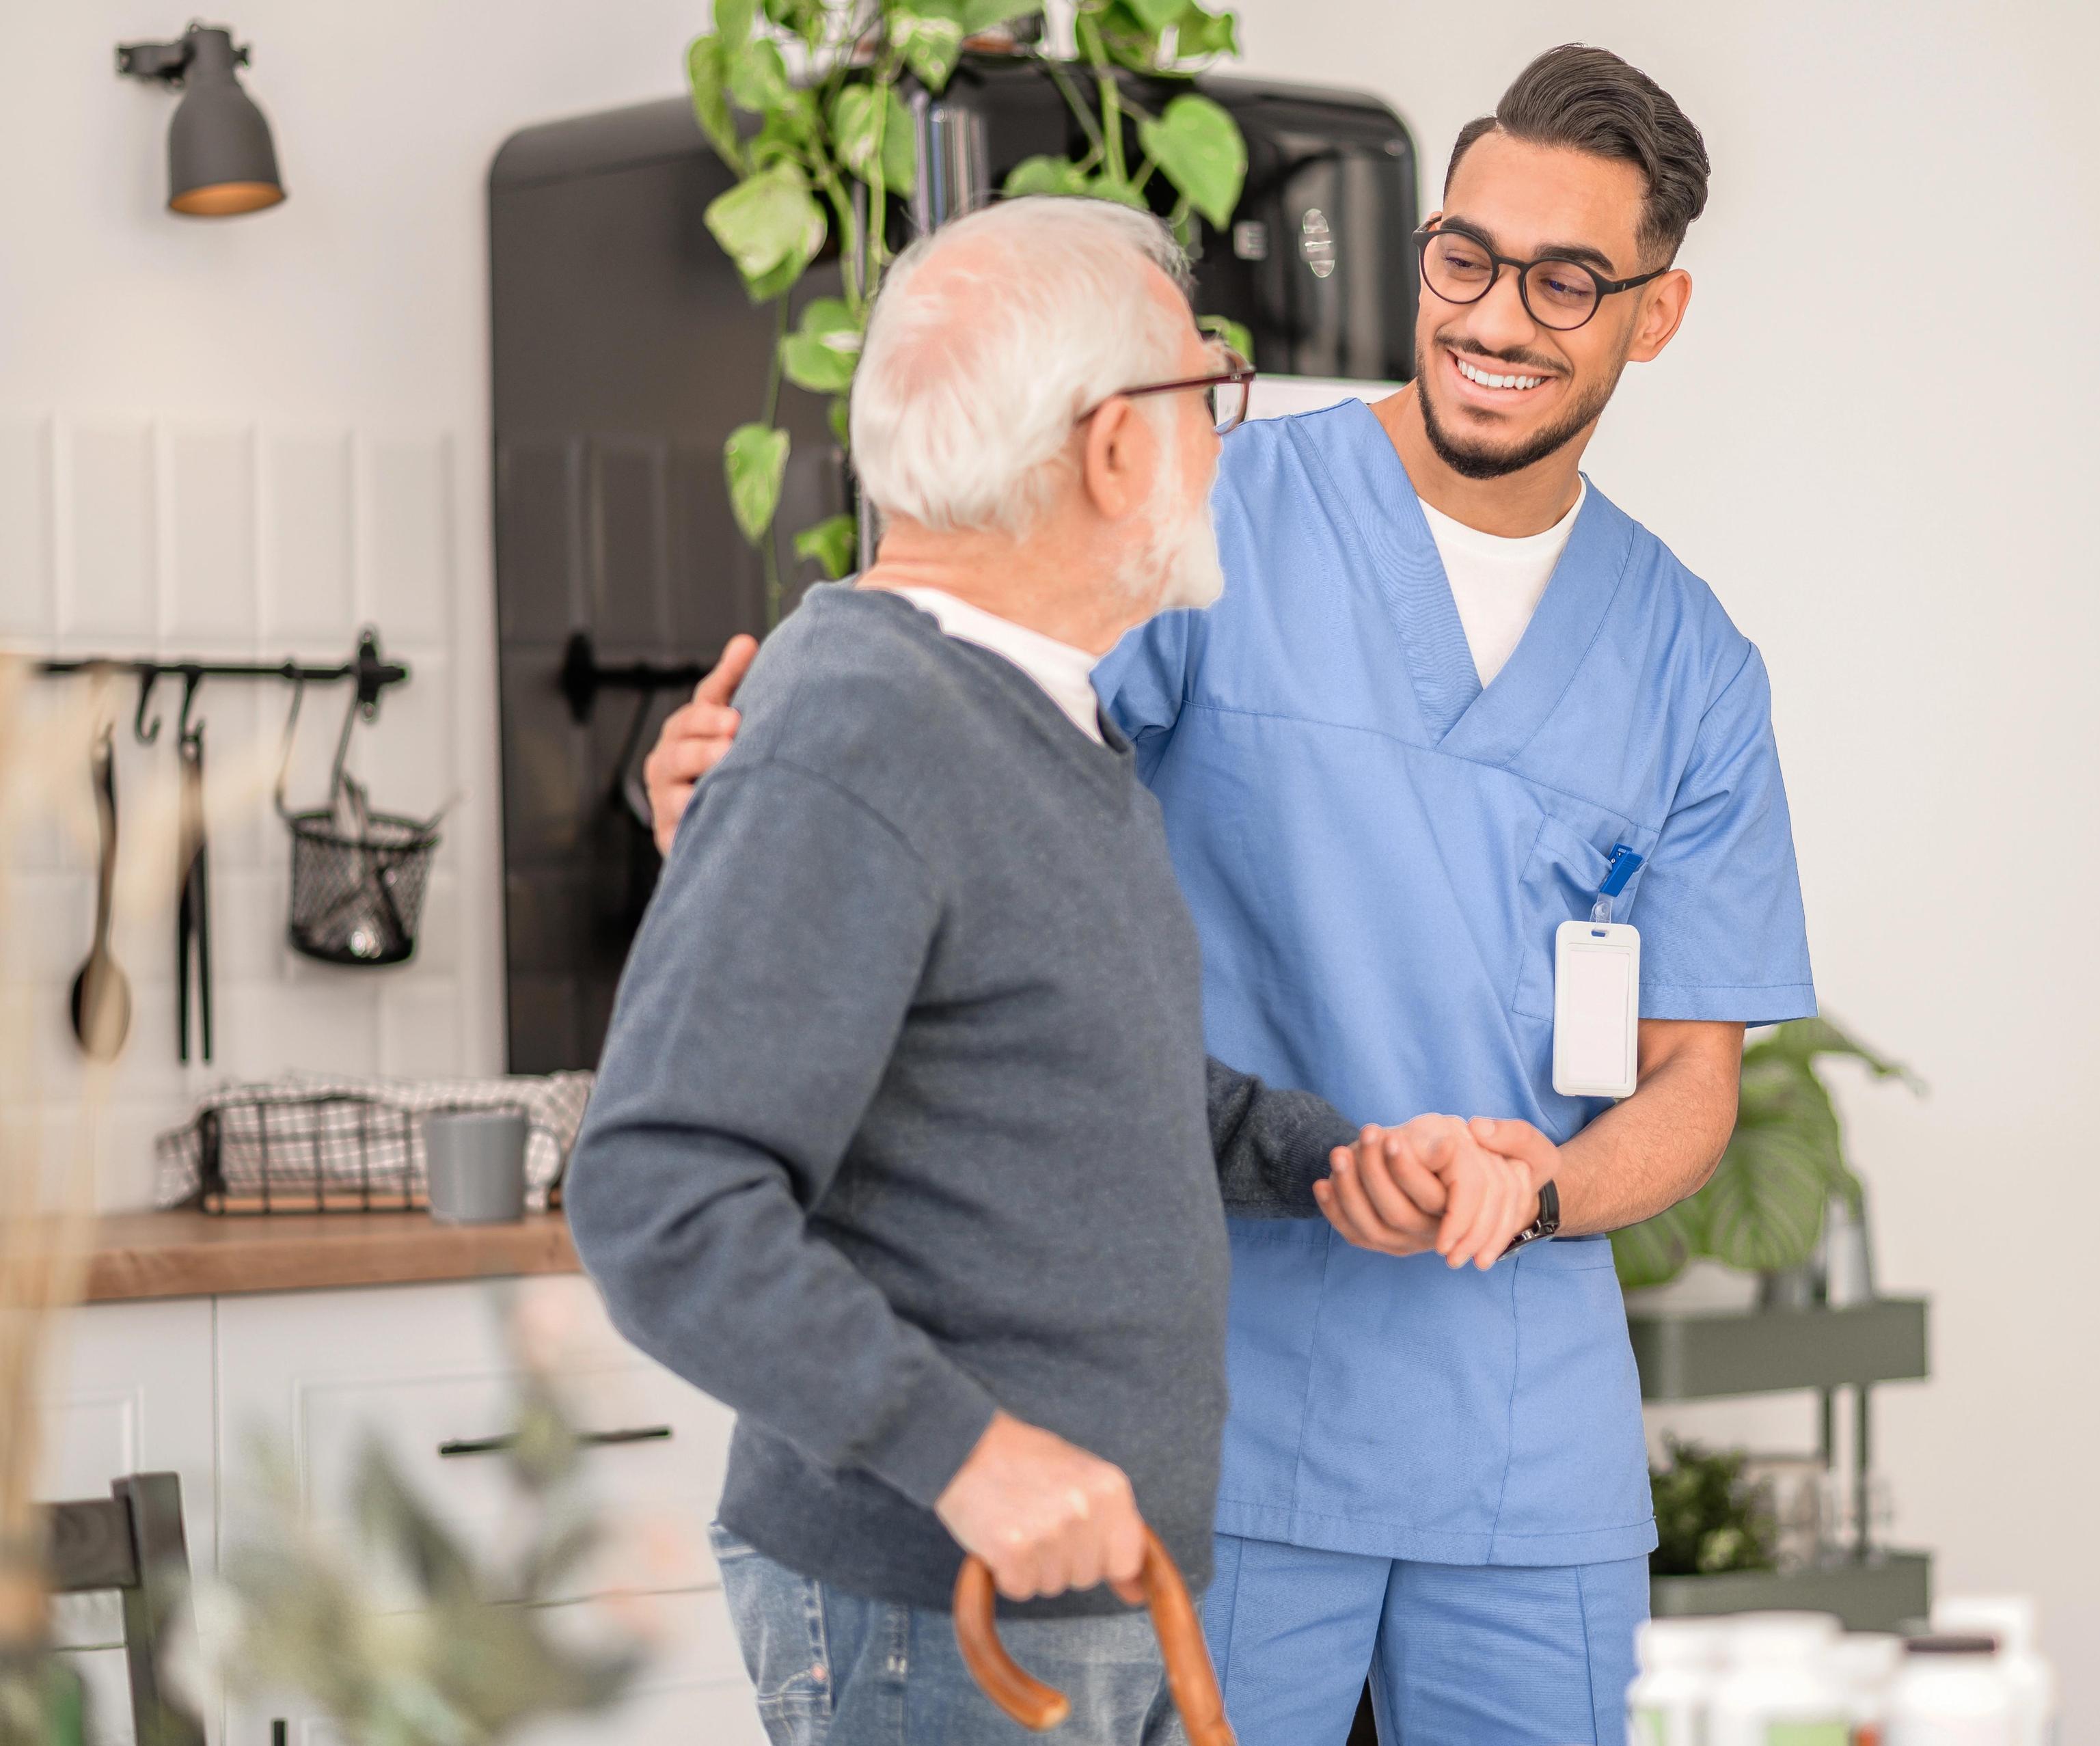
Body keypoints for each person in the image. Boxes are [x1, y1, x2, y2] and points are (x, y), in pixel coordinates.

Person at [646, 46, 1814, 1746]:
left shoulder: (1692, 665)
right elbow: (942, 726)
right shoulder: (1211, 507)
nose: (1496, 314)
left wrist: (1547, 1188)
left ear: (1657, 311)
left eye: (1566, 280)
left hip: (1523, 1451)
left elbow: (1693, 1079)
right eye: (1464, 256)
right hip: (1231, 1397)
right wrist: (727, 801)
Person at [566, 197, 1538, 1746]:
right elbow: (654, 1195)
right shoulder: (865, 725)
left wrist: (1343, 1158)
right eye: (1206, 393)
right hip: (930, 1621)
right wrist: (968, 1456)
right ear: (1108, 449)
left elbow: (1100, 1089)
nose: (1228, 438)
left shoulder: (1027, 720)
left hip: (1082, 1612)